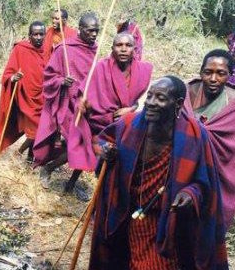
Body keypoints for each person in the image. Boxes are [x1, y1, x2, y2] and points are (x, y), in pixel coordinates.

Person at [89, 76, 228, 270]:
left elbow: (205, 183)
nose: (152, 103)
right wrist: (106, 151)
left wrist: (190, 193)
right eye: (150, 96)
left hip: (168, 221)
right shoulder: (130, 124)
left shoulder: (195, 135)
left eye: (161, 98)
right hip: (127, 212)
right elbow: (101, 140)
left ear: (178, 104)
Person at [66, 32, 153, 199]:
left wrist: (131, 108)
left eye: (127, 46)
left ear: (134, 49)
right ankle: (72, 182)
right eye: (119, 45)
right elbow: (85, 94)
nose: (123, 49)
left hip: (124, 125)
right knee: (92, 152)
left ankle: (101, 200)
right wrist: (84, 105)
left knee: (115, 163)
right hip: (100, 122)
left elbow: (139, 100)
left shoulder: (143, 70)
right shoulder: (101, 67)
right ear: (112, 48)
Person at [33, 12, 99, 188]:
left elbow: (95, 77)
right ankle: (48, 168)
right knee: (77, 143)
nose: (94, 35)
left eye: (97, 31)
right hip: (67, 103)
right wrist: (62, 81)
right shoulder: (65, 48)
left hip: (87, 105)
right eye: (90, 31)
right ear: (80, 29)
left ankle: (71, 183)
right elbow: (49, 75)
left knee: (88, 144)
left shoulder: (95, 50)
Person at [185, 49, 235, 228]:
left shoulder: (232, 104)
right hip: (181, 169)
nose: (213, 79)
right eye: (208, 72)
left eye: (221, 73)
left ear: (229, 75)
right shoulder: (184, 94)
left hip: (216, 177)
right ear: (201, 72)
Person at [0, 21, 47, 162]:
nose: (38, 37)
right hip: (24, 96)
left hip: (42, 97)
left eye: (41, 34)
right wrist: (13, 77)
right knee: (36, 131)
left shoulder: (48, 50)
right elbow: (8, 73)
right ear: (29, 35)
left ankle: (30, 157)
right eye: (35, 34)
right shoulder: (20, 49)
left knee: (40, 130)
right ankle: (19, 152)